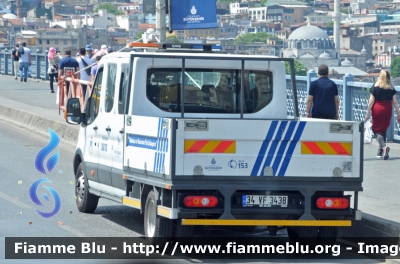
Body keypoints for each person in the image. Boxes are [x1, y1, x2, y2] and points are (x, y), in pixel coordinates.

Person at [365, 70, 400, 160]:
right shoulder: (391, 88)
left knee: (376, 130)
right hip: (387, 109)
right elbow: (395, 102)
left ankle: (383, 147)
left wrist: (367, 113)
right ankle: (380, 152)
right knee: (383, 128)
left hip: (378, 109)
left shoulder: (375, 87)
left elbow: (371, 100)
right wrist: (398, 113)